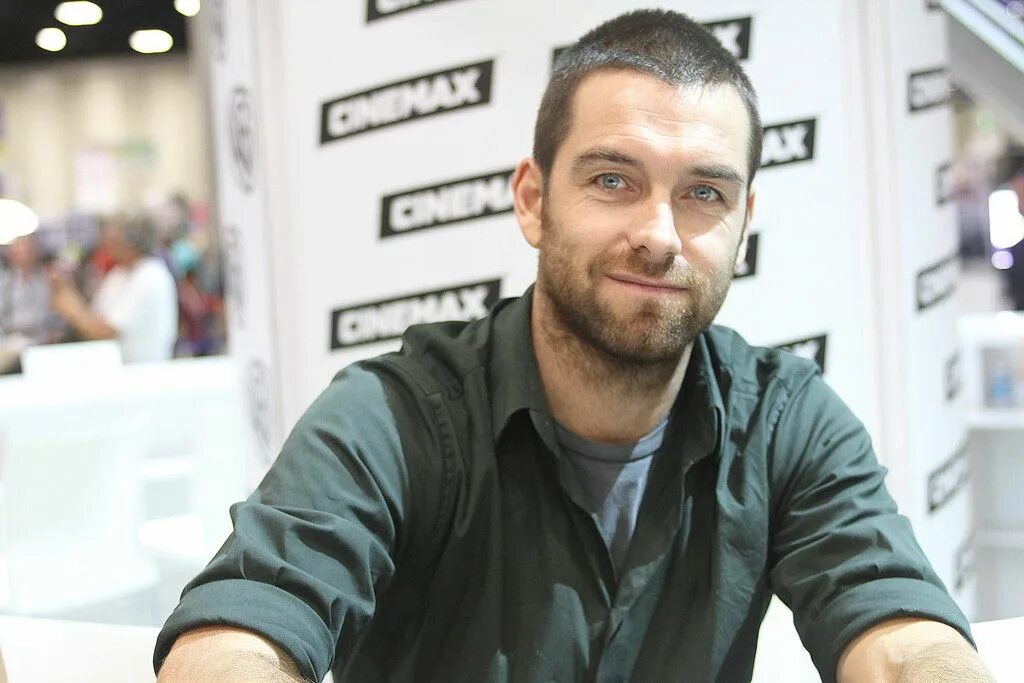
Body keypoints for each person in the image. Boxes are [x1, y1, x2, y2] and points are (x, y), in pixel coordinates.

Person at [155, 10, 991, 683]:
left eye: (704, 192)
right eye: (612, 180)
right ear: (533, 199)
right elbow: (243, 629)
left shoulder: (785, 420)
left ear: (744, 222)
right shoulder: (396, 416)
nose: (658, 234)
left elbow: (901, 635)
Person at [49, 215, 178, 363]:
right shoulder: (118, 275)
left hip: (143, 370)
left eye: (114, 232)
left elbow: (105, 332)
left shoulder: (150, 276)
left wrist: (69, 304)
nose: (107, 239)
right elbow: (95, 320)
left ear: (132, 239)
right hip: (115, 367)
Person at [0, 234, 50, 342]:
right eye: (20, 252)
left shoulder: (48, 278)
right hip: (13, 338)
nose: (25, 256)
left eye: (29, 251)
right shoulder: (5, 283)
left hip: (44, 336)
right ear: (12, 256)